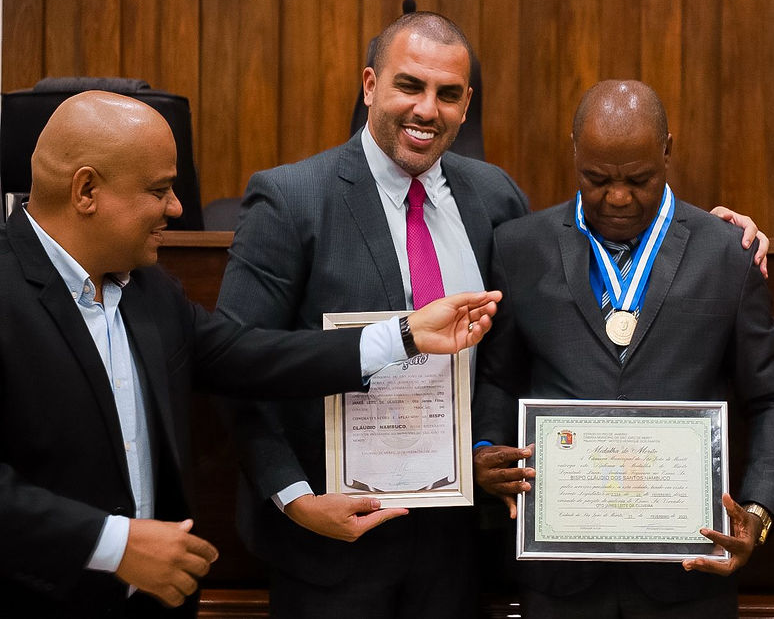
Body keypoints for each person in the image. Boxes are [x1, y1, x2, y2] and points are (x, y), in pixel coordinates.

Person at [216, 12, 770, 618]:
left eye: (448, 94)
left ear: (466, 104)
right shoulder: (290, 199)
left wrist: (715, 236)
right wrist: (294, 498)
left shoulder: (493, 198)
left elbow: (535, 326)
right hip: (332, 538)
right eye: (410, 85)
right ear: (370, 85)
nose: (428, 109)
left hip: (459, 545)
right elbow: (236, 361)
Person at [0, 90, 501, 618]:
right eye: (159, 190)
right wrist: (113, 543)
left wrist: (405, 334)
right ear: (86, 190)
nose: (175, 207)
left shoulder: (150, 292)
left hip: (154, 599)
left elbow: (248, 356)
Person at [472, 80, 774, 618]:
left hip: (689, 578)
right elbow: (498, 377)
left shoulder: (727, 254)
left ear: (668, 150)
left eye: (640, 179)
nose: (618, 197)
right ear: (574, 150)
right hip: (560, 581)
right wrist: (485, 448)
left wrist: (758, 511)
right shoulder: (518, 248)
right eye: (596, 178)